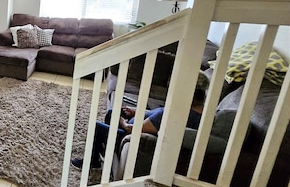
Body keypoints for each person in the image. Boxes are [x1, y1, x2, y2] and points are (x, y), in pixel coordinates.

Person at [71, 71, 209, 169]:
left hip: (130, 135)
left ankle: (92, 161)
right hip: (139, 128)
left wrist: (122, 121)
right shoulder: (198, 112)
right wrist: (134, 112)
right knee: (112, 112)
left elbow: (134, 129)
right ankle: (106, 148)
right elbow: (154, 116)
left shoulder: (174, 113)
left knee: (97, 126)